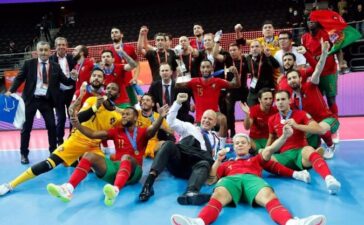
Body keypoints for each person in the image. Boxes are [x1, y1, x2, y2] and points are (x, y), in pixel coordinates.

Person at [170, 129, 327, 225]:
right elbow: (211, 179)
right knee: (217, 194)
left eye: (242, 142)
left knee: (269, 195)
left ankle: (291, 222)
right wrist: (218, 160)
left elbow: (269, 150)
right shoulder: (226, 163)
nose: (238, 144)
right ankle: (199, 222)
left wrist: (284, 137)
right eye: (236, 143)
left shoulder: (256, 158)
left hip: (253, 179)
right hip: (231, 180)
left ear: (248, 145)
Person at [0, 82, 121, 196]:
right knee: (49, 163)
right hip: (77, 140)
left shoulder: (117, 116)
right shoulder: (93, 100)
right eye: (108, 88)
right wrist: (95, 108)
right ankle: (10, 184)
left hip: (93, 146)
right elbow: (79, 118)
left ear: (118, 95)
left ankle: (112, 190)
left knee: (108, 174)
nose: (110, 90)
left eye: (113, 89)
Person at [46, 105, 168, 206]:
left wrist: (160, 117)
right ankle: (68, 188)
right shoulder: (116, 131)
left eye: (127, 114)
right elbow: (93, 134)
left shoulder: (142, 131)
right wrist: (77, 125)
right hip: (115, 170)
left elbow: (152, 129)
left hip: (134, 172)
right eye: (123, 114)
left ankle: (115, 190)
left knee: (126, 157)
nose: (124, 116)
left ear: (136, 118)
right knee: (89, 155)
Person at [139, 93, 222, 205]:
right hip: (179, 160)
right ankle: (148, 185)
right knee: (170, 144)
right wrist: (177, 103)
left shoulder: (216, 140)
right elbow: (171, 121)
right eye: (204, 118)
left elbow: (215, 159)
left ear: (215, 123)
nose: (206, 121)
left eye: (210, 119)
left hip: (193, 168)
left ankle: (190, 193)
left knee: (205, 162)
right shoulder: (189, 127)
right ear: (200, 118)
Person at [5, 41, 77, 164]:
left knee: (52, 127)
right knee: (26, 128)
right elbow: (19, 78)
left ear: (50, 51)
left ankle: (53, 152)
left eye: (46, 50)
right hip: (30, 100)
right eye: (41, 50)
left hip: (46, 101)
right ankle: (24, 154)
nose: (43, 52)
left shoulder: (55, 66)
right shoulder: (29, 64)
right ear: (37, 51)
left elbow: (65, 81)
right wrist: (10, 90)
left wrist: (73, 78)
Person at [267, 90, 341, 194]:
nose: (280, 102)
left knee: (309, 150)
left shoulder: (301, 114)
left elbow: (319, 129)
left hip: (300, 153)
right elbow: (271, 138)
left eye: (283, 99)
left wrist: (297, 126)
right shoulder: (272, 119)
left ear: (290, 100)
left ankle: (329, 179)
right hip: (284, 156)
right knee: (264, 159)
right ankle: (298, 174)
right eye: (277, 100)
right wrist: (265, 151)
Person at [50, 37, 76, 146]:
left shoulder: (72, 58)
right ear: (55, 47)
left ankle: (71, 139)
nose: (61, 46)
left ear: (66, 46)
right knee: (61, 118)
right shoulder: (51, 60)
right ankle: (59, 142)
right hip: (58, 93)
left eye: (63, 44)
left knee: (72, 117)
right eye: (59, 45)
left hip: (72, 92)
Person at [137, 93, 174, 158]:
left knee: (165, 144)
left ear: (153, 104)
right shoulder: (135, 113)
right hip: (137, 144)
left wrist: (161, 126)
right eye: (143, 100)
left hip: (153, 145)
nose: (144, 102)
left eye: (147, 100)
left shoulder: (158, 116)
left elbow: (171, 132)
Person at [240, 88, 277, 152]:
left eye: (270, 98)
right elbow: (247, 127)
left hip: (269, 139)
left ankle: (263, 152)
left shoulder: (276, 111)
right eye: (265, 99)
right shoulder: (254, 110)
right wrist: (247, 115)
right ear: (259, 100)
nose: (268, 101)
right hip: (255, 140)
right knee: (244, 140)